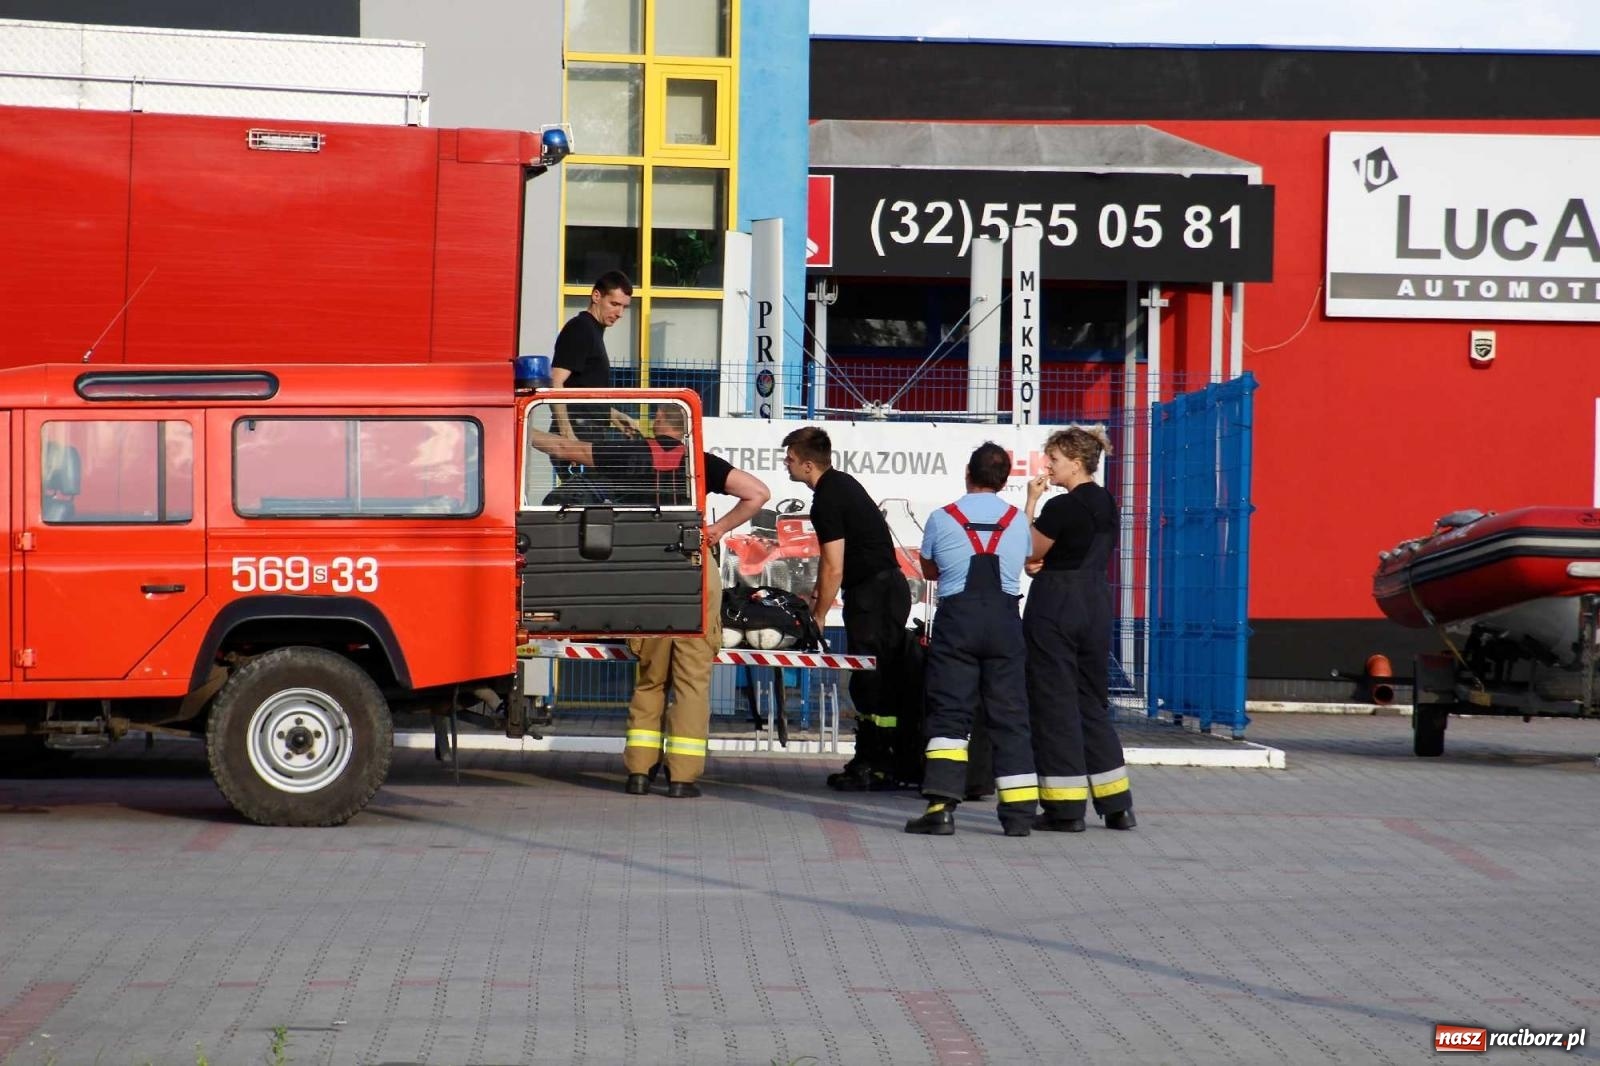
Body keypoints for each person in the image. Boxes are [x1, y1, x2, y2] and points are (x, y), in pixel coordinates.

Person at [904, 443, 1038, 837]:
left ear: (968, 472)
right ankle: (1018, 815)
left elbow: (930, 569)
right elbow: (1023, 562)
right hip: (1004, 622)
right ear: (1005, 478)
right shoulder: (1017, 522)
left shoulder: (943, 518)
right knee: (1011, 715)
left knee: (949, 714)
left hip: (958, 622)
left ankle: (941, 807)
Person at [781, 426, 911, 791]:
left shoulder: (826, 499)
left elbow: (833, 564)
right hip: (882, 592)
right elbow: (834, 565)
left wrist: (819, 615)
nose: (785, 464)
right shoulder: (841, 485)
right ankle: (879, 759)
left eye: (789, 459)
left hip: (875, 596)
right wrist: (818, 593)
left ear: (808, 465)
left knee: (871, 680)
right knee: (876, 679)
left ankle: (875, 763)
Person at [1023, 426, 1135, 832]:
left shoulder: (1060, 507)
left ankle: (1065, 809)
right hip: (1095, 603)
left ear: (1075, 460)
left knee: (1054, 704)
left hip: (1057, 604)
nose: (1047, 466)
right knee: (1090, 701)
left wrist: (1032, 502)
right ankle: (1117, 805)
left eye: (1053, 459)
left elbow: (1028, 551)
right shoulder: (1107, 502)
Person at [551, 270, 632, 444]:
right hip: (579, 433)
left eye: (624, 306)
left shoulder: (592, 330)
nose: (620, 313)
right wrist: (567, 436)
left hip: (587, 431)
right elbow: (555, 381)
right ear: (596, 296)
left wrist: (614, 415)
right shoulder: (580, 329)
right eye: (615, 304)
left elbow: (581, 389)